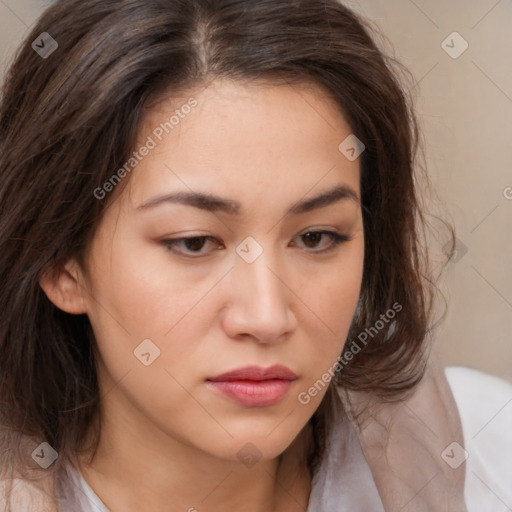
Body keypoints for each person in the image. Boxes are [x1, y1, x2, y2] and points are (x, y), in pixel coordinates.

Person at [0, 1, 510, 511]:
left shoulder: (490, 447)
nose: (267, 317)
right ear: (62, 263)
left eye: (316, 238)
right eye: (194, 242)